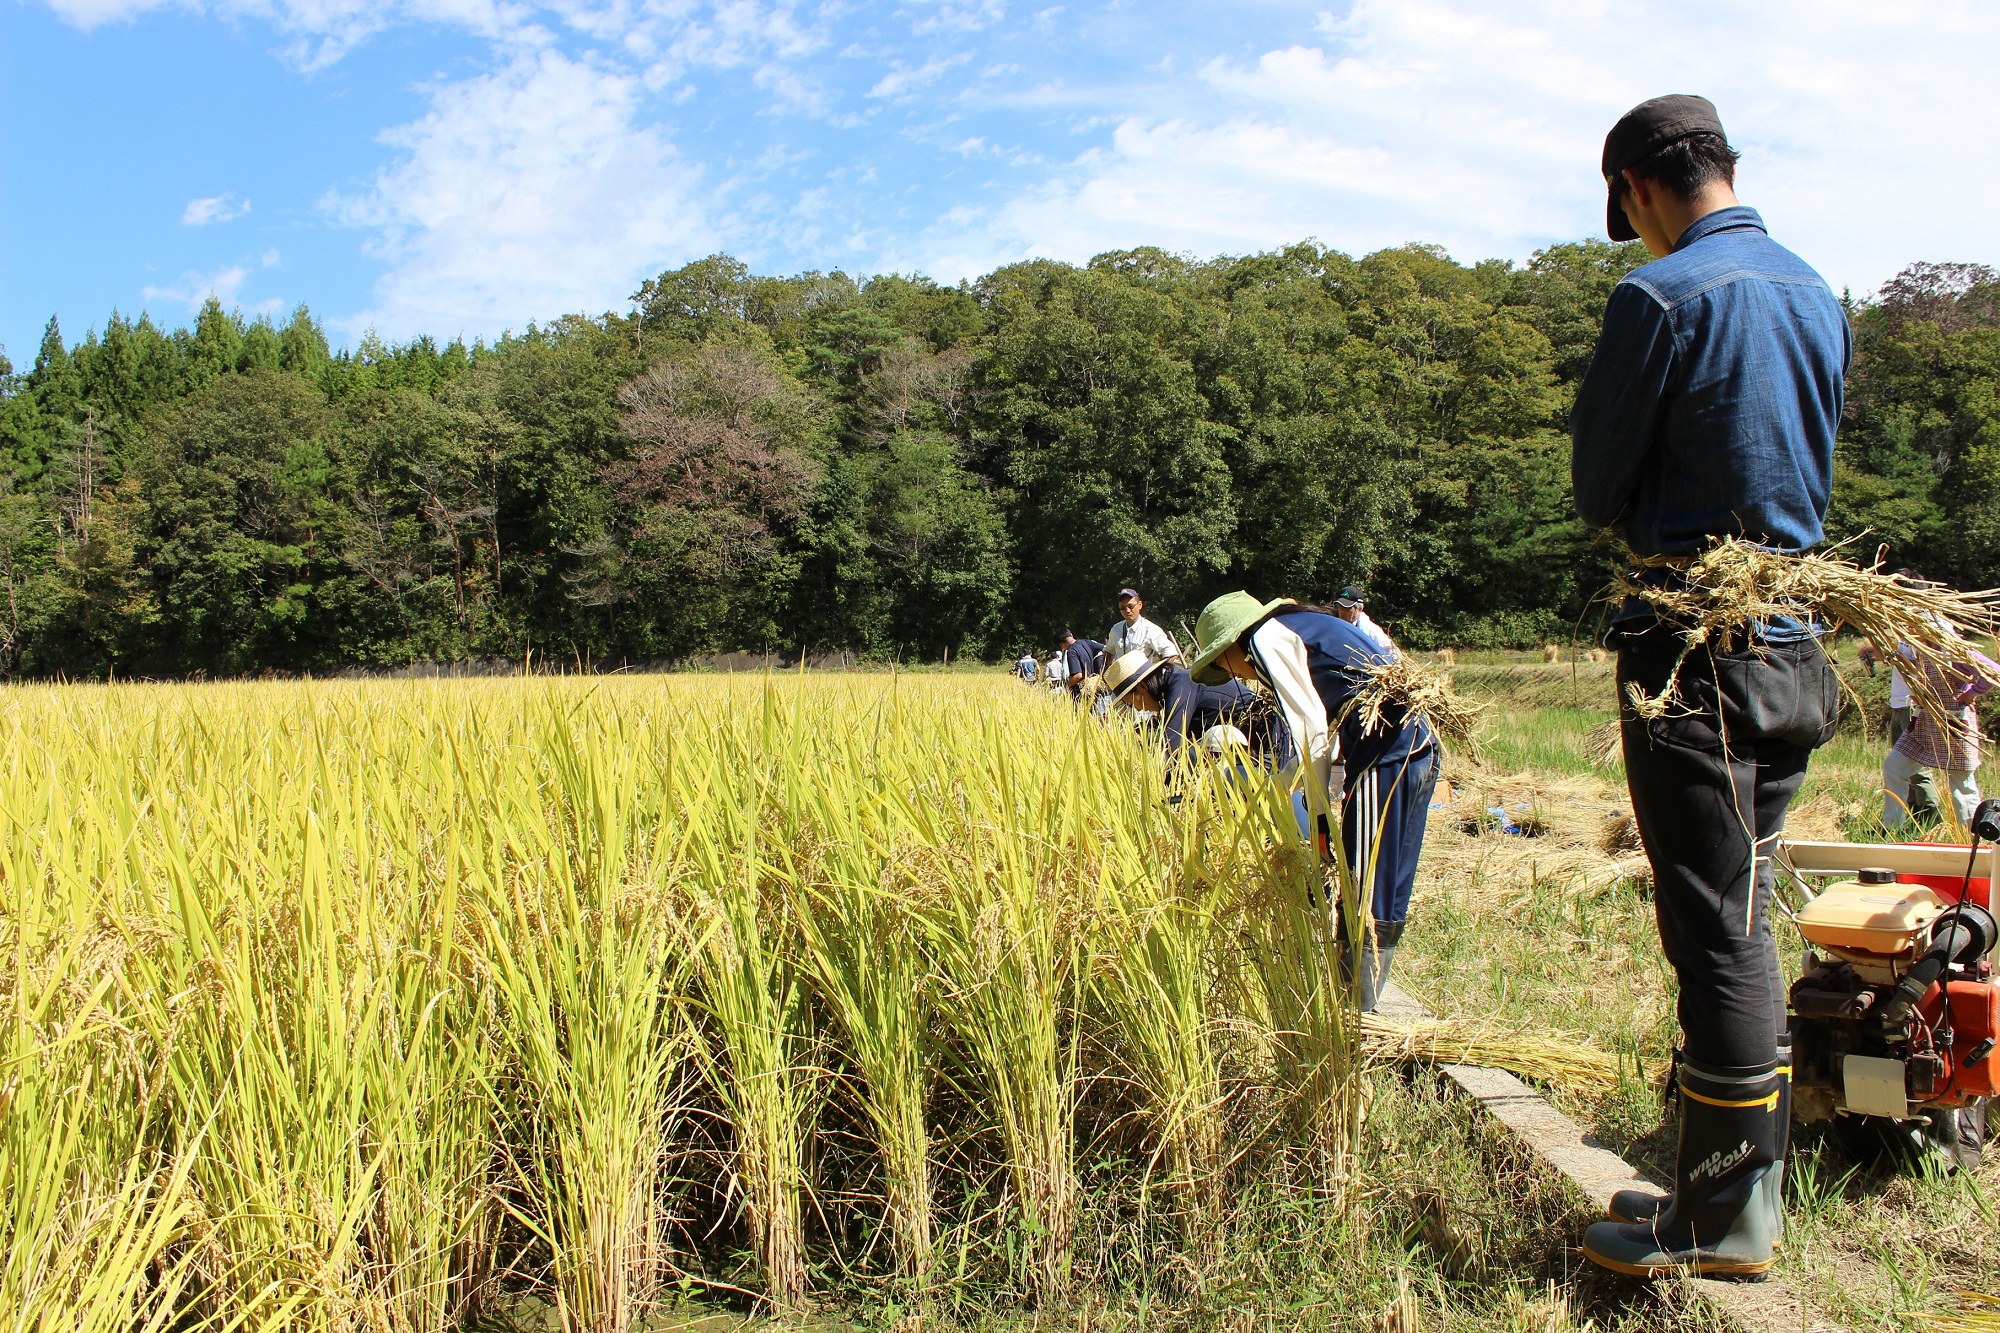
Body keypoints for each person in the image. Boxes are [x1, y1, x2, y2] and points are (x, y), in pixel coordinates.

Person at [1569, 95, 1849, 1279]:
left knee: (1716, 930)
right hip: (1795, 643)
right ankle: (1716, 1183)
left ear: (1636, 187)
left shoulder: (1658, 296)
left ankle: (1724, 1223)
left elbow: (1594, 483)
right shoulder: (1814, 290)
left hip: (1696, 654)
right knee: (1747, 904)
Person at [1187, 592, 1435, 1013]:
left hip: (1385, 754)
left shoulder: (1266, 639)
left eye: (1222, 663)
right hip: (1419, 744)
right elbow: (1328, 719)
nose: (1233, 674)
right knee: (1390, 882)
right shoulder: (1304, 625)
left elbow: (1312, 732)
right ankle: (1366, 1000)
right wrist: (1288, 783)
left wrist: (1318, 817)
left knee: (1363, 884)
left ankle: (1355, 1012)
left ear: (1231, 645)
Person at [1100, 649, 1295, 771]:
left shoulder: (1180, 686)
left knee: (1271, 806)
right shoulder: (1174, 687)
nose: (1137, 708)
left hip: (1268, 741)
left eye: (1132, 702)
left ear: (1142, 688)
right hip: (1247, 745)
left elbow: (1172, 751)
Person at [1883, 649, 1994, 830]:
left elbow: (1992, 671)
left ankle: (1971, 840)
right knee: (1894, 767)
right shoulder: (1921, 649)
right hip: (1924, 724)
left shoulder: (1954, 652)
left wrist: (1971, 694)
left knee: (1961, 785)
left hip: (1953, 724)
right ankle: (1891, 828)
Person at [1105, 588, 1183, 667]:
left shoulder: (1150, 629)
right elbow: (1108, 652)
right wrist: (1105, 676)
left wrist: (1159, 673)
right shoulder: (1116, 629)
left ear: (1140, 605)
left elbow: (1171, 652)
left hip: (1142, 678)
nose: (1127, 610)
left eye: (1130, 606)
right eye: (1123, 607)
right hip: (1119, 678)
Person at [1333, 586, 1399, 659]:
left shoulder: (1373, 633)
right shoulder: (1333, 626)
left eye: (1347, 607)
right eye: (1340, 606)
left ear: (1359, 609)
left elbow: (1394, 657)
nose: (1342, 611)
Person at [1057, 629, 1104, 702]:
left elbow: (1078, 676)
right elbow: (1107, 648)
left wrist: (1065, 687)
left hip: (1082, 691)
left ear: (1060, 644)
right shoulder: (1086, 642)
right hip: (1093, 687)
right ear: (1071, 635)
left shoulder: (1071, 651)